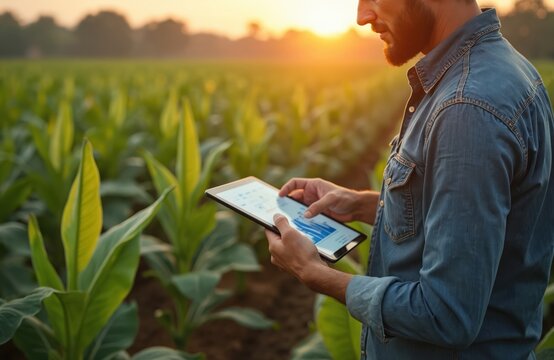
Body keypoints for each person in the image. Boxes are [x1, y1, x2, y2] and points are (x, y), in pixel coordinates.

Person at [265, 0, 554, 359]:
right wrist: (362, 203)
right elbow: (483, 224)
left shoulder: (466, 108)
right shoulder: (505, 69)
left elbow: (447, 314)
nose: (362, 16)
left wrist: (316, 274)